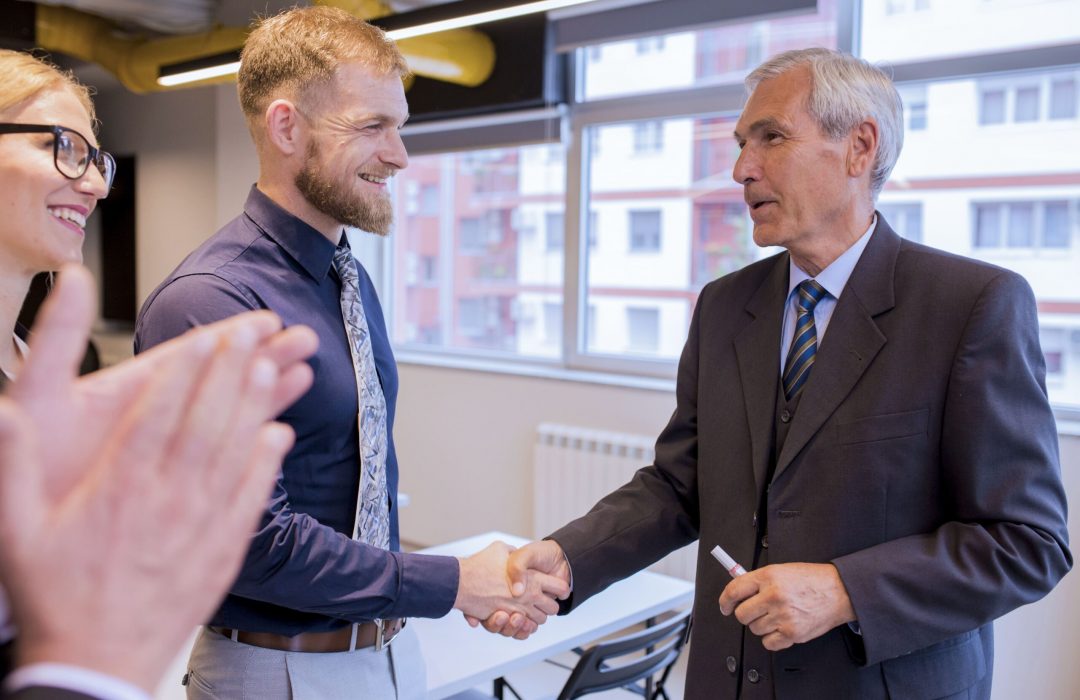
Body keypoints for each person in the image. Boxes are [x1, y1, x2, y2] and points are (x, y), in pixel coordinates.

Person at [485, 48, 1072, 699]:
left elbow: (1027, 543)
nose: (741, 169)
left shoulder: (970, 306)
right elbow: (682, 485)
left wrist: (845, 591)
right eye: (741, 144)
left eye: (771, 137)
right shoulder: (725, 306)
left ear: (860, 147)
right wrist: (570, 558)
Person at [134, 6, 566, 699]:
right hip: (280, 669)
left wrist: (460, 591)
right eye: (372, 127)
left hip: (388, 651)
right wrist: (453, 583)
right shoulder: (210, 302)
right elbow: (248, 545)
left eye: (398, 127)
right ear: (286, 127)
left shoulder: (347, 274)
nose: (399, 155)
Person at [0, 265, 319, 700]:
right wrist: (85, 663)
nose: (95, 191)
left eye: (109, 187)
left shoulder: (34, 362)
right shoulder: (198, 294)